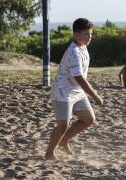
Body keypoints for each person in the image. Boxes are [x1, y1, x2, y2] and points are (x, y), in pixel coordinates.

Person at [45, 18, 103, 160]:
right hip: (62, 93)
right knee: (63, 126)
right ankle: (49, 153)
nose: (89, 37)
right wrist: (95, 95)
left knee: (89, 119)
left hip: (77, 92)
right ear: (75, 35)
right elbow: (80, 79)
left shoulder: (83, 47)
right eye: (86, 34)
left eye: (90, 34)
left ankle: (64, 140)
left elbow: (81, 78)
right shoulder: (73, 53)